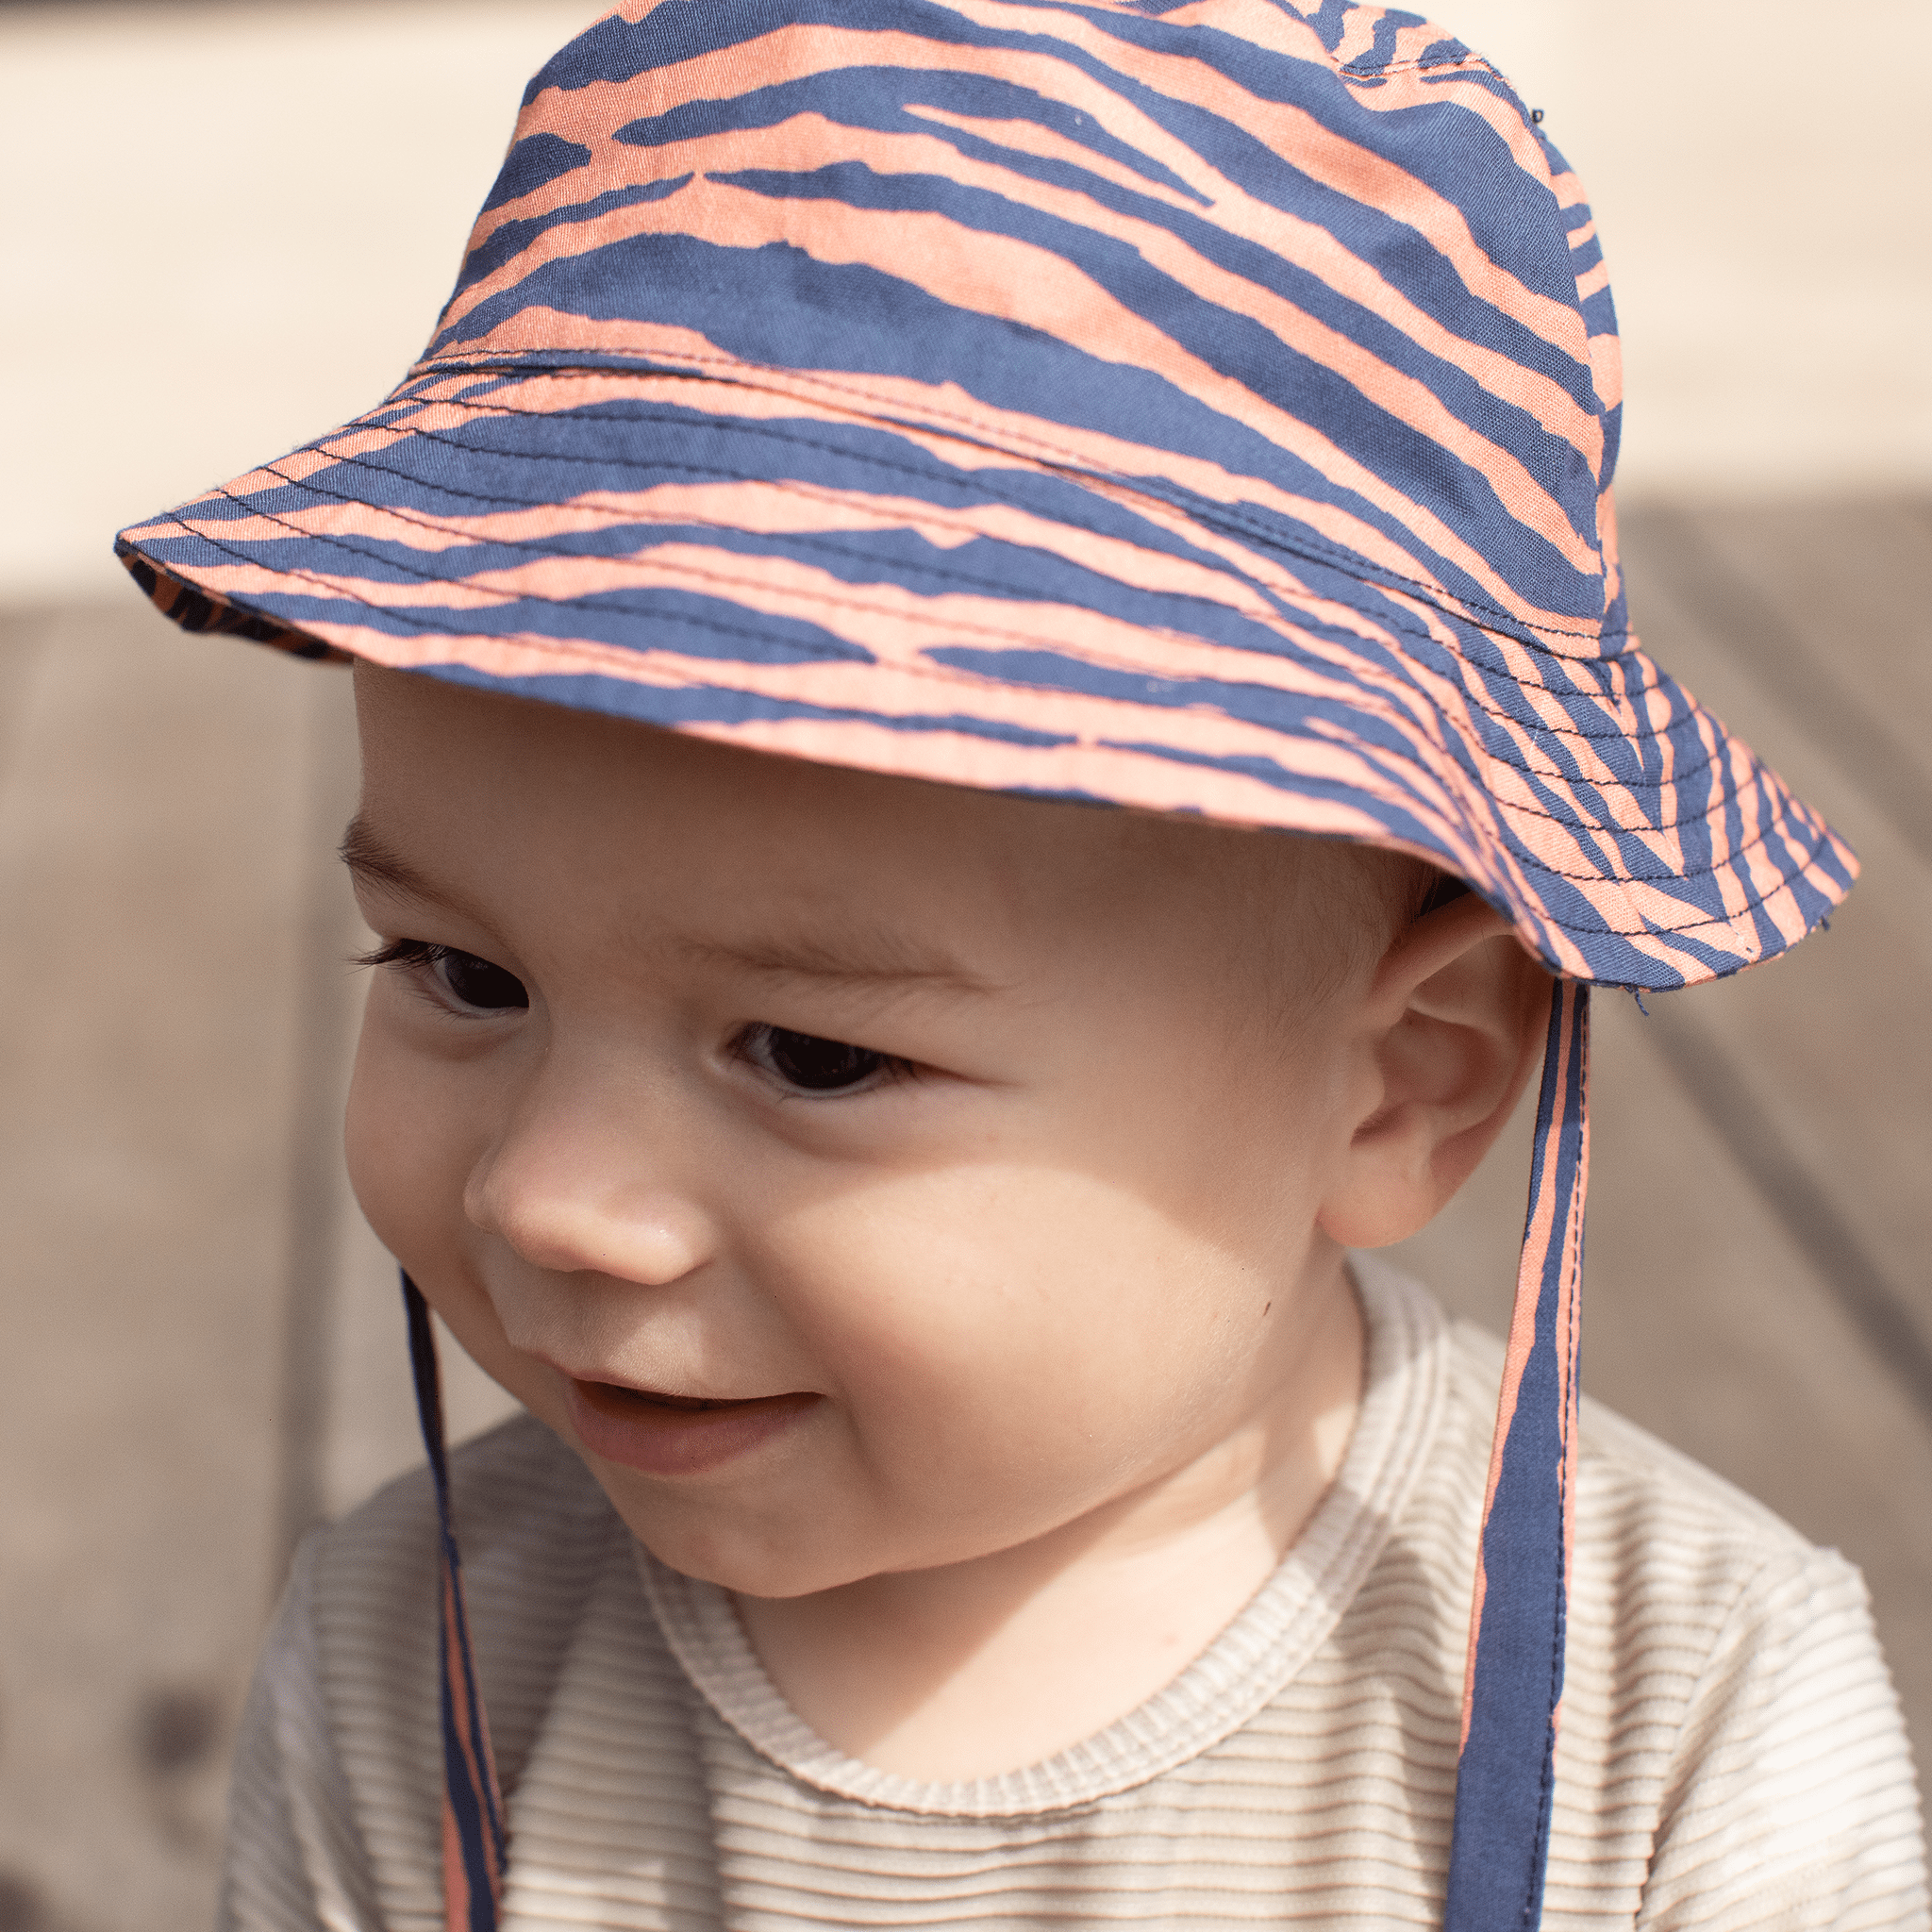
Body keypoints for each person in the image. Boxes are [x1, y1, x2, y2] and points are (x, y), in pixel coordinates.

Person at [116, 2, 1925, 1926]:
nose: (554, 1201)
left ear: (1402, 1080)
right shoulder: (428, 1670)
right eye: (464, 975)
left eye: (809, 1055)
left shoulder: (1670, 1717)